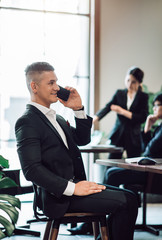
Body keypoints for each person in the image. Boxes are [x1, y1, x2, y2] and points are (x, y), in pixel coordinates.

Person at [15, 62, 138, 240]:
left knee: (131, 197)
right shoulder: (27, 122)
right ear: (34, 86)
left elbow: (82, 139)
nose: (57, 88)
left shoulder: (56, 117)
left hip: (76, 186)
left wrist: (78, 110)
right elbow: (31, 170)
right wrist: (73, 188)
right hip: (58, 197)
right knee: (125, 202)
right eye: (51, 83)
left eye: (56, 82)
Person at [104, 93, 162, 192]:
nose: (154, 109)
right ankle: (116, 204)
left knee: (112, 174)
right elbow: (147, 150)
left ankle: (110, 205)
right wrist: (147, 129)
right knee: (111, 172)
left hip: (154, 173)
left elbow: (150, 150)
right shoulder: (159, 127)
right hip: (148, 169)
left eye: (157, 105)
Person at [93, 66, 149, 159]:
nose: (129, 84)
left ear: (139, 83)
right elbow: (108, 107)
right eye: (128, 80)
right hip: (118, 135)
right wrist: (94, 118)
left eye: (133, 82)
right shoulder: (119, 94)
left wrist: (121, 111)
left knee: (134, 167)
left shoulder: (143, 97)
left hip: (133, 137)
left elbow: (142, 118)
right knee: (111, 164)